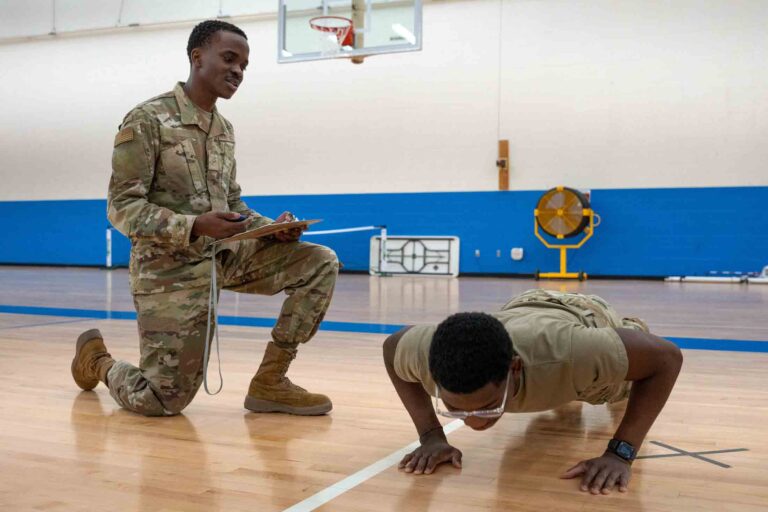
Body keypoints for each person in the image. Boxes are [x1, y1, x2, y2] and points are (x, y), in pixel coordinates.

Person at [71, 20, 339, 417]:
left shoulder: (223, 130)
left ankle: (271, 382)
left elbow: (232, 203)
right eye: (229, 59)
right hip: (167, 270)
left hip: (224, 256)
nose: (238, 71)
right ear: (197, 58)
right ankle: (98, 361)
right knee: (163, 400)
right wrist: (193, 226)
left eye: (244, 65)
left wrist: (270, 228)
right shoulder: (147, 120)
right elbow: (121, 207)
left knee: (320, 261)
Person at [382, 289, 683, 494]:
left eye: (487, 405)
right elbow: (391, 346)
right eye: (455, 408)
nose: (472, 423)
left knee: (612, 391)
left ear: (513, 368)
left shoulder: (572, 352)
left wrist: (621, 453)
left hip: (584, 316)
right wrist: (431, 436)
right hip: (523, 306)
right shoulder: (425, 351)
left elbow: (667, 359)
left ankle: (631, 327)